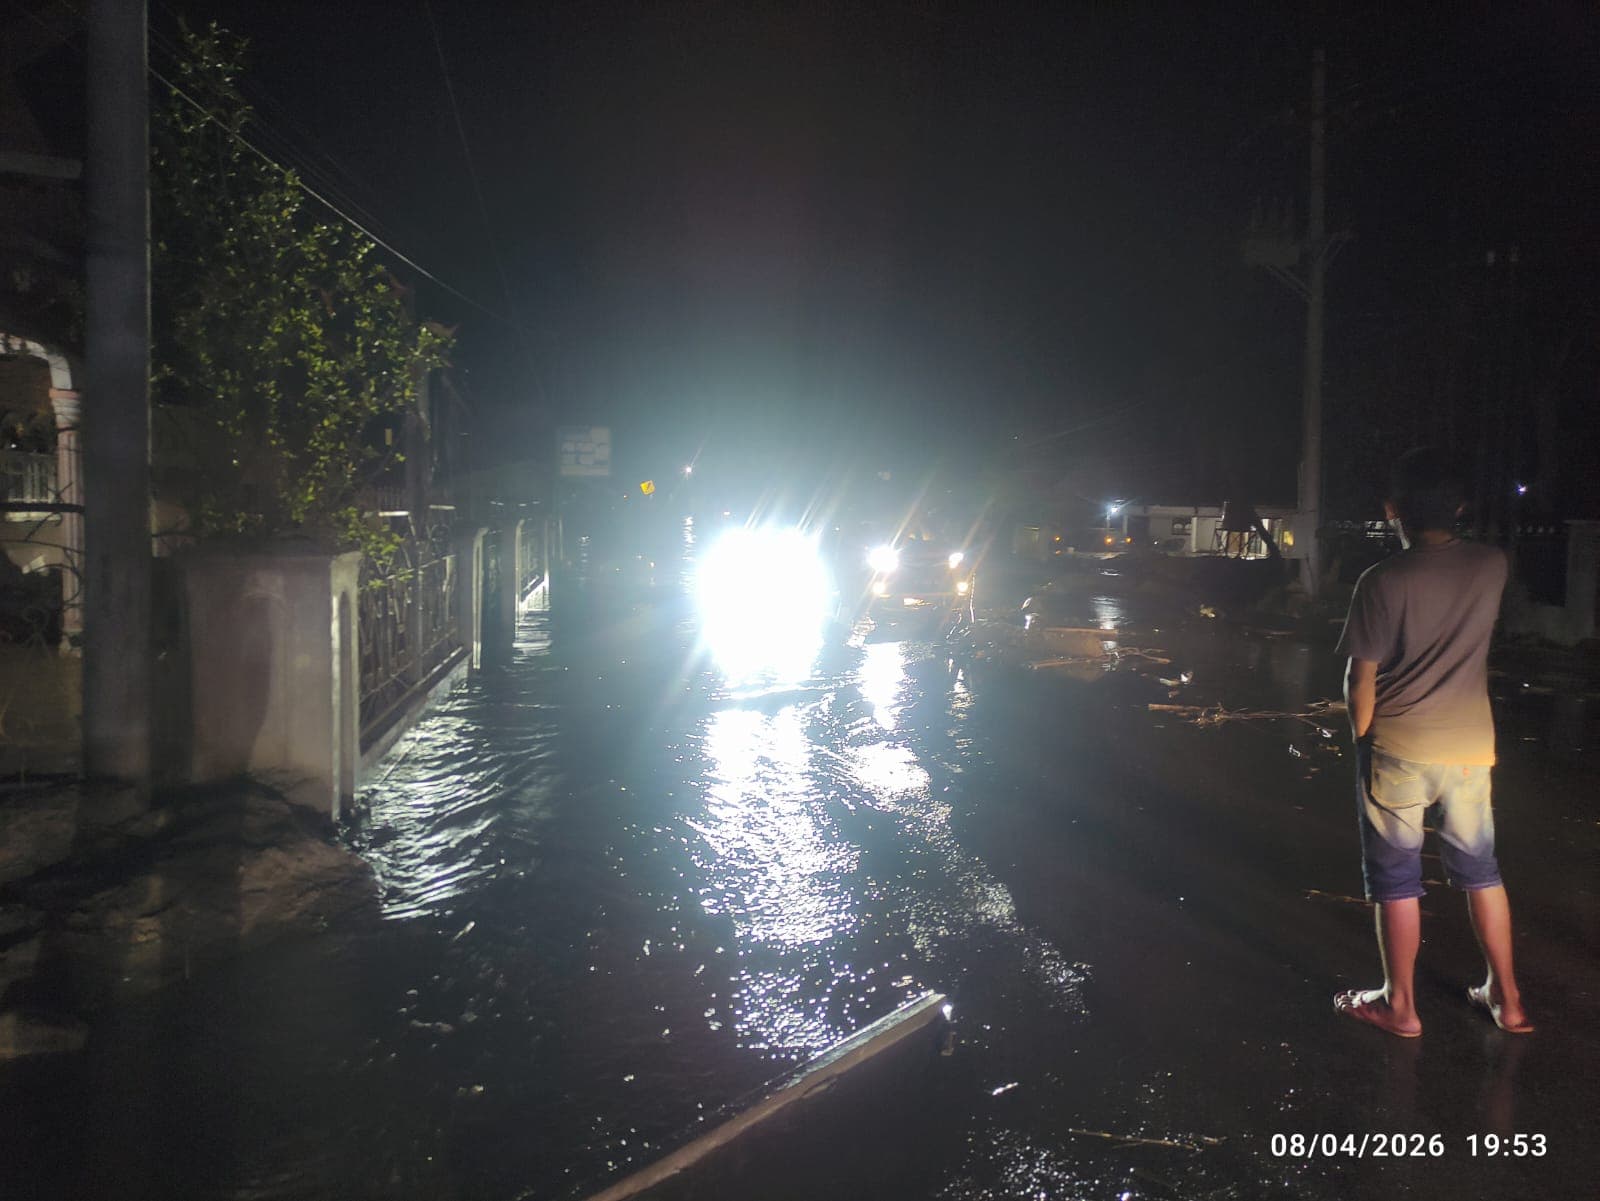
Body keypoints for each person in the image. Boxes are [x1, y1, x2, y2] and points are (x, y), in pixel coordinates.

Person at [1332, 447, 1533, 1037]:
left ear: (1393, 510)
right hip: (1471, 748)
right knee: (1481, 871)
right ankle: (1509, 999)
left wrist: (1361, 738)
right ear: (1461, 507)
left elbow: (1359, 679)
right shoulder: (1492, 565)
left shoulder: (1382, 580)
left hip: (1399, 744)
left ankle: (1401, 1006)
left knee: (1396, 879)